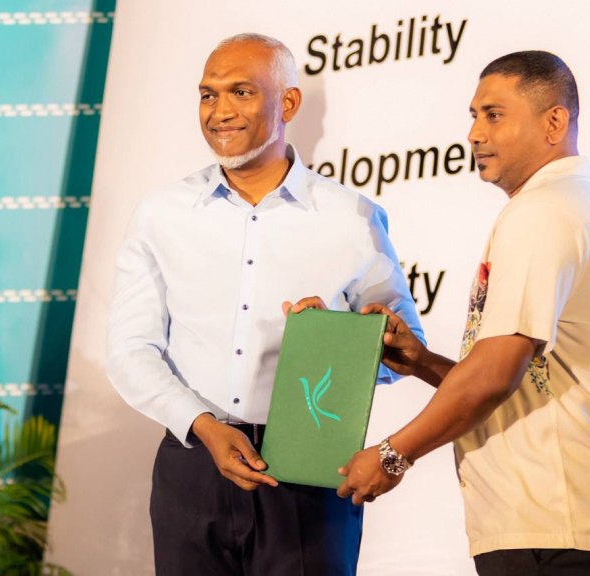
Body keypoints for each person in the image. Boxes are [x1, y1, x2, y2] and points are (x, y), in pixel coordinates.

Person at [106, 33, 422, 576]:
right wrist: (203, 425)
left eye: (242, 92)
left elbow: (401, 354)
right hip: (193, 462)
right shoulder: (161, 215)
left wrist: (350, 338)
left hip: (309, 467)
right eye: (208, 95)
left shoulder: (350, 217)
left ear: (288, 103)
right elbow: (130, 350)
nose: (220, 111)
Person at [335, 51, 590, 576]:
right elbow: (520, 381)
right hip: (552, 517)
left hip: (548, 521)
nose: (475, 133)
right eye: (474, 116)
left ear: (554, 123)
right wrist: (423, 362)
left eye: (494, 115)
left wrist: (392, 454)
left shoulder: (543, 212)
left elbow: (496, 373)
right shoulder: (559, 205)